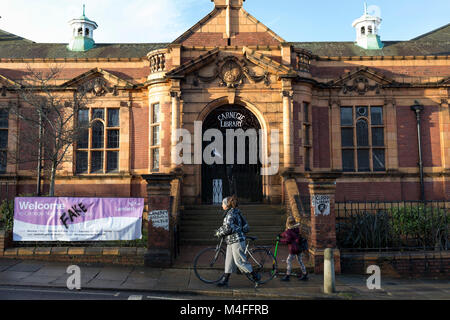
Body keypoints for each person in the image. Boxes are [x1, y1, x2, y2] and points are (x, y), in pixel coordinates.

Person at [214, 195, 261, 287]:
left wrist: (218, 233)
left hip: (236, 241)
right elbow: (229, 226)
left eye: (222, 204)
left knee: (239, 262)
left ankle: (255, 276)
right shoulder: (234, 212)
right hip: (231, 240)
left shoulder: (230, 214)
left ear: (226, 205)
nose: (221, 206)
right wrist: (220, 230)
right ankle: (225, 280)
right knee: (229, 261)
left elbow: (228, 228)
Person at [279, 216, 308, 281]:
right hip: (299, 247)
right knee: (300, 261)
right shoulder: (296, 228)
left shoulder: (289, 231)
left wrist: (280, 240)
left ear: (287, 222)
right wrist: (281, 235)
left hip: (293, 249)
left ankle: (287, 275)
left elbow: (287, 240)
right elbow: (286, 234)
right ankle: (305, 274)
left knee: (288, 261)